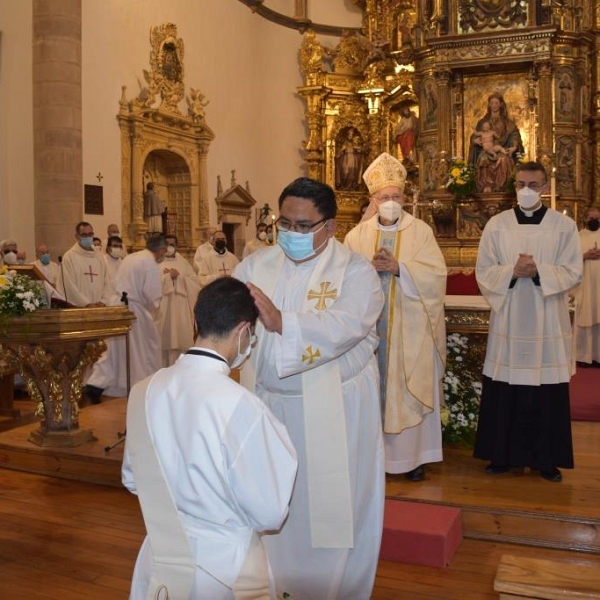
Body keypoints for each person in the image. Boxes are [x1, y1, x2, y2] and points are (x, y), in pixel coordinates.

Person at [233, 177, 385, 600]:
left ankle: (334, 590)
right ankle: (267, 587)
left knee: (331, 512)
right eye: (284, 223)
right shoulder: (254, 266)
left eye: (303, 226)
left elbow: (348, 325)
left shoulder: (357, 272)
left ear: (331, 227)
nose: (291, 234)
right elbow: (228, 321)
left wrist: (285, 323)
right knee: (271, 506)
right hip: (264, 406)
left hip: (336, 410)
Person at [122, 276, 297, 600]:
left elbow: (133, 479)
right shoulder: (242, 406)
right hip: (224, 568)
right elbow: (270, 512)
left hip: (160, 556)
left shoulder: (143, 391)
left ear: (195, 320)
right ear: (244, 331)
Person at [474, 161, 583, 482]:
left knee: (546, 390)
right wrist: (510, 271)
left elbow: (574, 270)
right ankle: (502, 455)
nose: (526, 191)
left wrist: (539, 272)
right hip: (509, 319)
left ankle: (546, 459)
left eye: (533, 185)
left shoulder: (564, 227)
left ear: (545, 186)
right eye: (520, 184)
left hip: (546, 319)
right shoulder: (497, 224)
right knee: (505, 388)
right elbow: (484, 269)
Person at [345, 152, 447, 481]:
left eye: (396, 196)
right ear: (372, 200)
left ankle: (413, 458)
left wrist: (400, 268)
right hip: (370, 334)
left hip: (410, 329)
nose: (390, 202)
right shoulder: (356, 237)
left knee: (406, 387)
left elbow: (436, 275)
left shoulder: (420, 232)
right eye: (384, 197)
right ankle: (370, 458)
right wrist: (369, 270)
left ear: (404, 198)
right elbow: (343, 279)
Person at [83, 235, 166, 403]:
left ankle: (96, 384)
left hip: (118, 305)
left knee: (114, 349)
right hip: (134, 309)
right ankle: (140, 385)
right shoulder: (150, 263)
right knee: (143, 349)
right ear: (161, 250)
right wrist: (153, 307)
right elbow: (151, 293)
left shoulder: (130, 257)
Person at [156, 234, 201, 367]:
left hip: (181, 308)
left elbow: (194, 282)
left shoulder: (183, 262)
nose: (170, 247)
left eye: (173, 244)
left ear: (176, 246)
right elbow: (150, 284)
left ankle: (182, 368)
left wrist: (179, 278)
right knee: (163, 340)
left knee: (180, 339)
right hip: (164, 308)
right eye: (167, 244)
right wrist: (166, 277)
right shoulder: (156, 262)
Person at [469, 92, 523, 193]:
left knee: (503, 159)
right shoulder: (482, 122)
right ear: (489, 105)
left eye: (496, 103)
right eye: (492, 103)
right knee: (483, 158)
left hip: (501, 149)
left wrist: (514, 147)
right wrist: (475, 141)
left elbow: (514, 134)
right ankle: (486, 186)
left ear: (501, 104)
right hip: (486, 149)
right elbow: (475, 135)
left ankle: (501, 187)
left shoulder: (507, 122)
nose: (494, 105)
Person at [57, 221, 110, 307]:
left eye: (90, 234)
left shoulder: (99, 256)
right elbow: (68, 285)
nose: (88, 237)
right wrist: (86, 303)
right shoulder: (69, 257)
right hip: (80, 308)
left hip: (99, 308)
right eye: (84, 235)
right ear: (77, 237)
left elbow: (106, 281)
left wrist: (103, 301)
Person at [573, 206, 600, 366]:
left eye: (597, 219)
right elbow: (569, 260)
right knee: (585, 318)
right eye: (591, 219)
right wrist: (585, 256)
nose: (594, 221)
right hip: (585, 286)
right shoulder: (577, 237)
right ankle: (583, 357)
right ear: (585, 219)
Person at [335, 127, 364, 191]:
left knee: (353, 174)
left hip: (353, 159)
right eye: (350, 134)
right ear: (347, 134)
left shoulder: (355, 142)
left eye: (352, 134)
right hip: (346, 159)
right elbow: (338, 154)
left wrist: (358, 148)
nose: (351, 135)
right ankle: (344, 186)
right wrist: (342, 149)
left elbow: (360, 151)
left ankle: (352, 187)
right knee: (345, 173)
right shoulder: (344, 142)